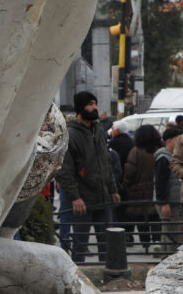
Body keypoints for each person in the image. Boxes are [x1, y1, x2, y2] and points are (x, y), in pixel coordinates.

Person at [55, 91, 120, 263]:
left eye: (95, 104)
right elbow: (64, 170)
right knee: (80, 244)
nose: (94, 108)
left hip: (103, 198)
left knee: (106, 242)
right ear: (80, 108)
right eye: (90, 104)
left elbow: (106, 163)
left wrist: (112, 189)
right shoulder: (71, 134)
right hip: (82, 202)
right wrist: (75, 198)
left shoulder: (98, 130)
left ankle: (108, 277)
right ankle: (79, 278)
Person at [122, 125, 162, 248]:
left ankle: (145, 244)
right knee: (156, 217)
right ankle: (157, 242)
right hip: (156, 190)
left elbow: (129, 173)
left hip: (137, 193)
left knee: (141, 218)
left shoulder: (136, 151)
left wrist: (127, 185)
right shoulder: (161, 149)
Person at [153, 126, 183, 249]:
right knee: (171, 232)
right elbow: (160, 183)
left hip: (174, 200)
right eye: (178, 140)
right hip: (168, 202)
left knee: (171, 231)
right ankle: (167, 257)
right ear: (168, 141)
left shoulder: (173, 157)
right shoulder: (163, 158)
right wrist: (164, 203)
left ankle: (166, 255)